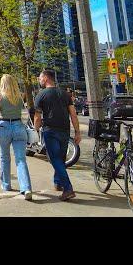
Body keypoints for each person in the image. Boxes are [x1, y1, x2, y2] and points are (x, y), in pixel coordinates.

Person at [34, 69, 82, 201]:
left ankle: (68, 188)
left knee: (54, 159)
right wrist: (77, 132)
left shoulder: (41, 95)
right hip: (65, 131)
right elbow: (73, 114)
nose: (39, 80)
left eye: (40, 78)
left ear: (46, 78)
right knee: (60, 158)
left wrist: (35, 130)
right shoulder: (65, 95)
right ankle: (58, 182)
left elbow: (37, 116)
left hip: (50, 130)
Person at [0, 75, 32, 200]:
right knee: (21, 159)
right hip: (19, 126)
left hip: (4, 127)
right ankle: (26, 188)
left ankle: (6, 185)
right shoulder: (20, 96)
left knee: (4, 157)